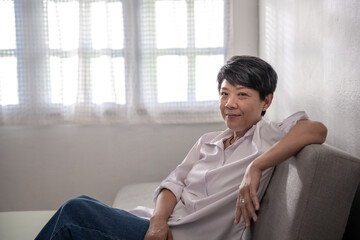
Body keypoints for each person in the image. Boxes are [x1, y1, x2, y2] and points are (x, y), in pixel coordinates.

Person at [35, 56, 327, 240]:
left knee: (77, 211)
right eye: (225, 93)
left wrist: (256, 165)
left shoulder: (268, 136)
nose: (230, 104)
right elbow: (173, 183)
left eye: (242, 95)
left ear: (266, 102)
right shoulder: (208, 140)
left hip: (185, 235)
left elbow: (316, 130)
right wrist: (158, 221)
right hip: (161, 227)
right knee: (83, 204)